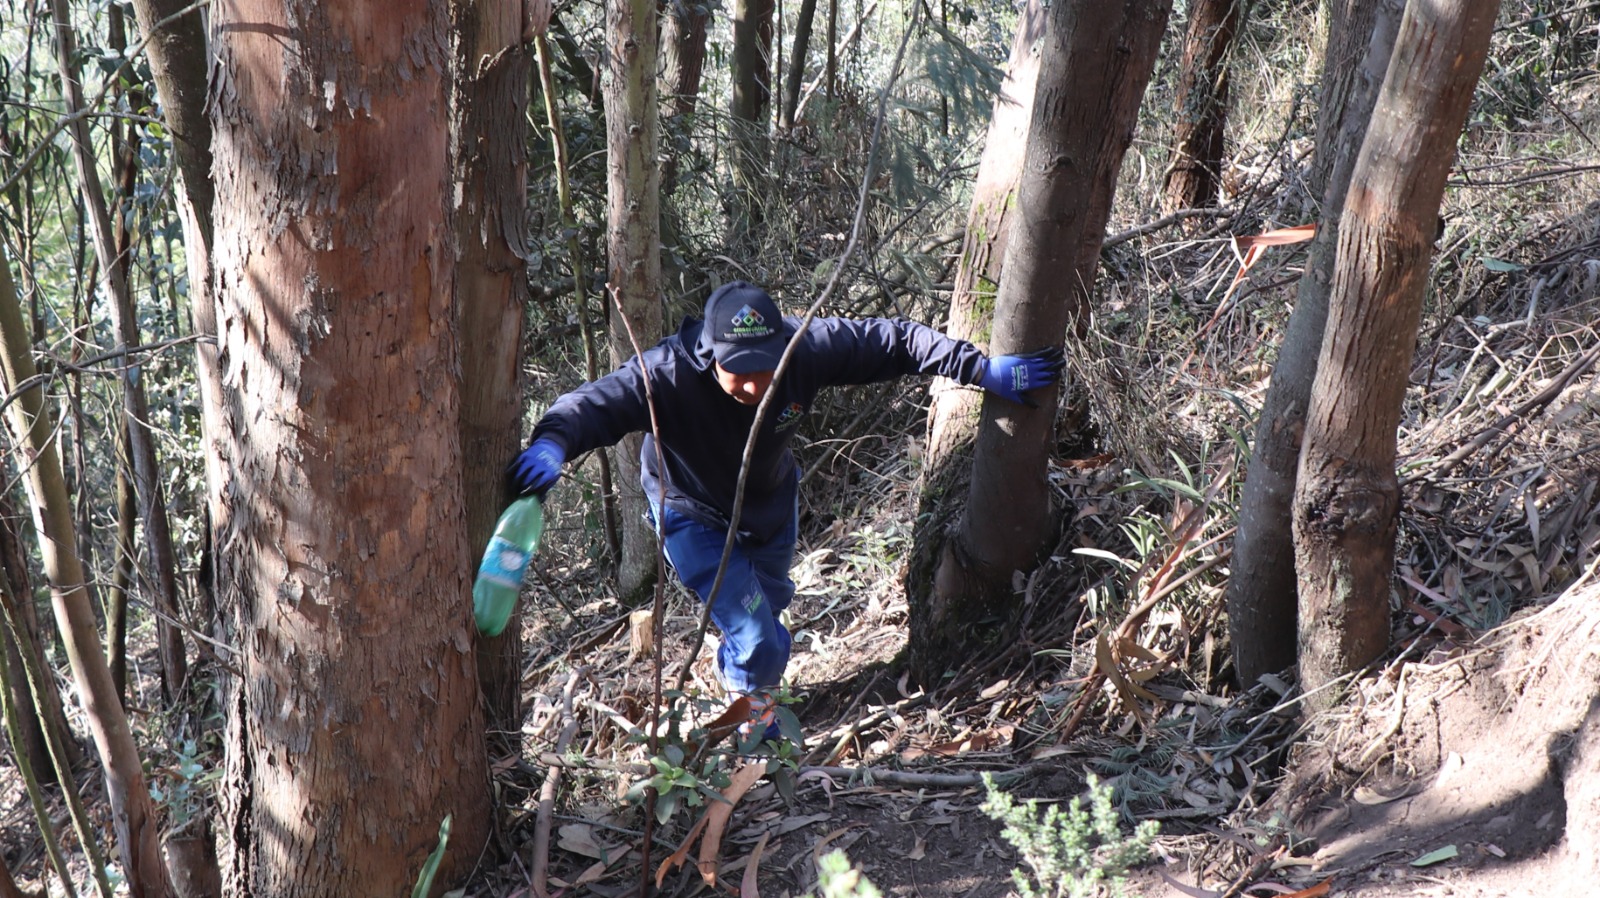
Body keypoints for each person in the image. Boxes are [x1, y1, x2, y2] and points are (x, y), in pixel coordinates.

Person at [508, 281, 1063, 742]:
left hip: (769, 504)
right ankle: (756, 737)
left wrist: (981, 370)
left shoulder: (807, 347)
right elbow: (590, 404)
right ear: (709, 353)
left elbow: (895, 342)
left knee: (766, 610)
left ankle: (741, 683)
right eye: (737, 370)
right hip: (691, 514)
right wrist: (553, 443)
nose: (753, 384)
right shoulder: (669, 372)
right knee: (759, 637)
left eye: (764, 368)